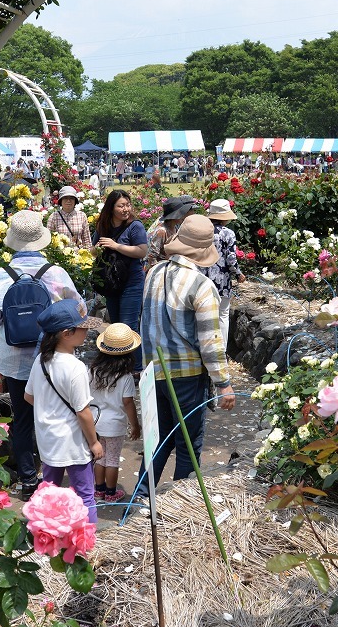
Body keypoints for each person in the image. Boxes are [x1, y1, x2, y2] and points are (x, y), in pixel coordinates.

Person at [0, 210, 84, 496]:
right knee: (62, 414)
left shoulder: (0, 276)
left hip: (14, 361)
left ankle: (28, 480)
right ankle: (62, 477)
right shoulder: (56, 273)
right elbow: (80, 310)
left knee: (22, 421)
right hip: (52, 358)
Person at [134, 215, 236, 498]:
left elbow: (146, 323)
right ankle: (180, 501)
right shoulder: (202, 286)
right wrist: (223, 383)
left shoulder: (154, 272)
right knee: (189, 446)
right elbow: (210, 343)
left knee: (160, 439)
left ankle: (140, 498)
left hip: (155, 372)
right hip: (188, 377)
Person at [25, 298, 105, 523]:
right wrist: (94, 443)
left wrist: (50, 409)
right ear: (66, 333)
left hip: (48, 439)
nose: (86, 333)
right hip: (72, 443)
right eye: (83, 328)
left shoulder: (41, 360)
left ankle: (44, 528)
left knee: (48, 491)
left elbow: (28, 396)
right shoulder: (76, 367)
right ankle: (88, 537)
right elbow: (83, 412)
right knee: (85, 495)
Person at [89, 323, 142, 503]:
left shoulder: (94, 371)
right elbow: (128, 402)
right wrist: (135, 425)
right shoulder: (125, 377)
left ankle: (99, 490)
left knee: (99, 458)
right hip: (115, 425)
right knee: (112, 459)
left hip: (95, 422)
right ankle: (111, 493)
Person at [93, 189, 148, 341]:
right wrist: (96, 249)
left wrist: (116, 246)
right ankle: (120, 364)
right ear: (111, 208)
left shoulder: (135, 226)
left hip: (132, 282)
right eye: (121, 206)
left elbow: (142, 251)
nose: (126, 209)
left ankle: (136, 365)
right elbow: (93, 251)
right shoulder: (103, 225)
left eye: (128, 205)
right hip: (111, 282)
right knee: (116, 327)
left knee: (128, 328)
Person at [201, 199, 247, 347]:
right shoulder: (228, 233)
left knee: (205, 315)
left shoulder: (202, 230)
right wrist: (238, 274)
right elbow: (231, 258)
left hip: (202, 278)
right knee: (222, 315)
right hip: (222, 280)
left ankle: (206, 347)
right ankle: (221, 350)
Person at [146, 195, 196, 270]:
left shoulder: (175, 227)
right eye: (181, 213)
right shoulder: (162, 231)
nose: (183, 215)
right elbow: (151, 257)